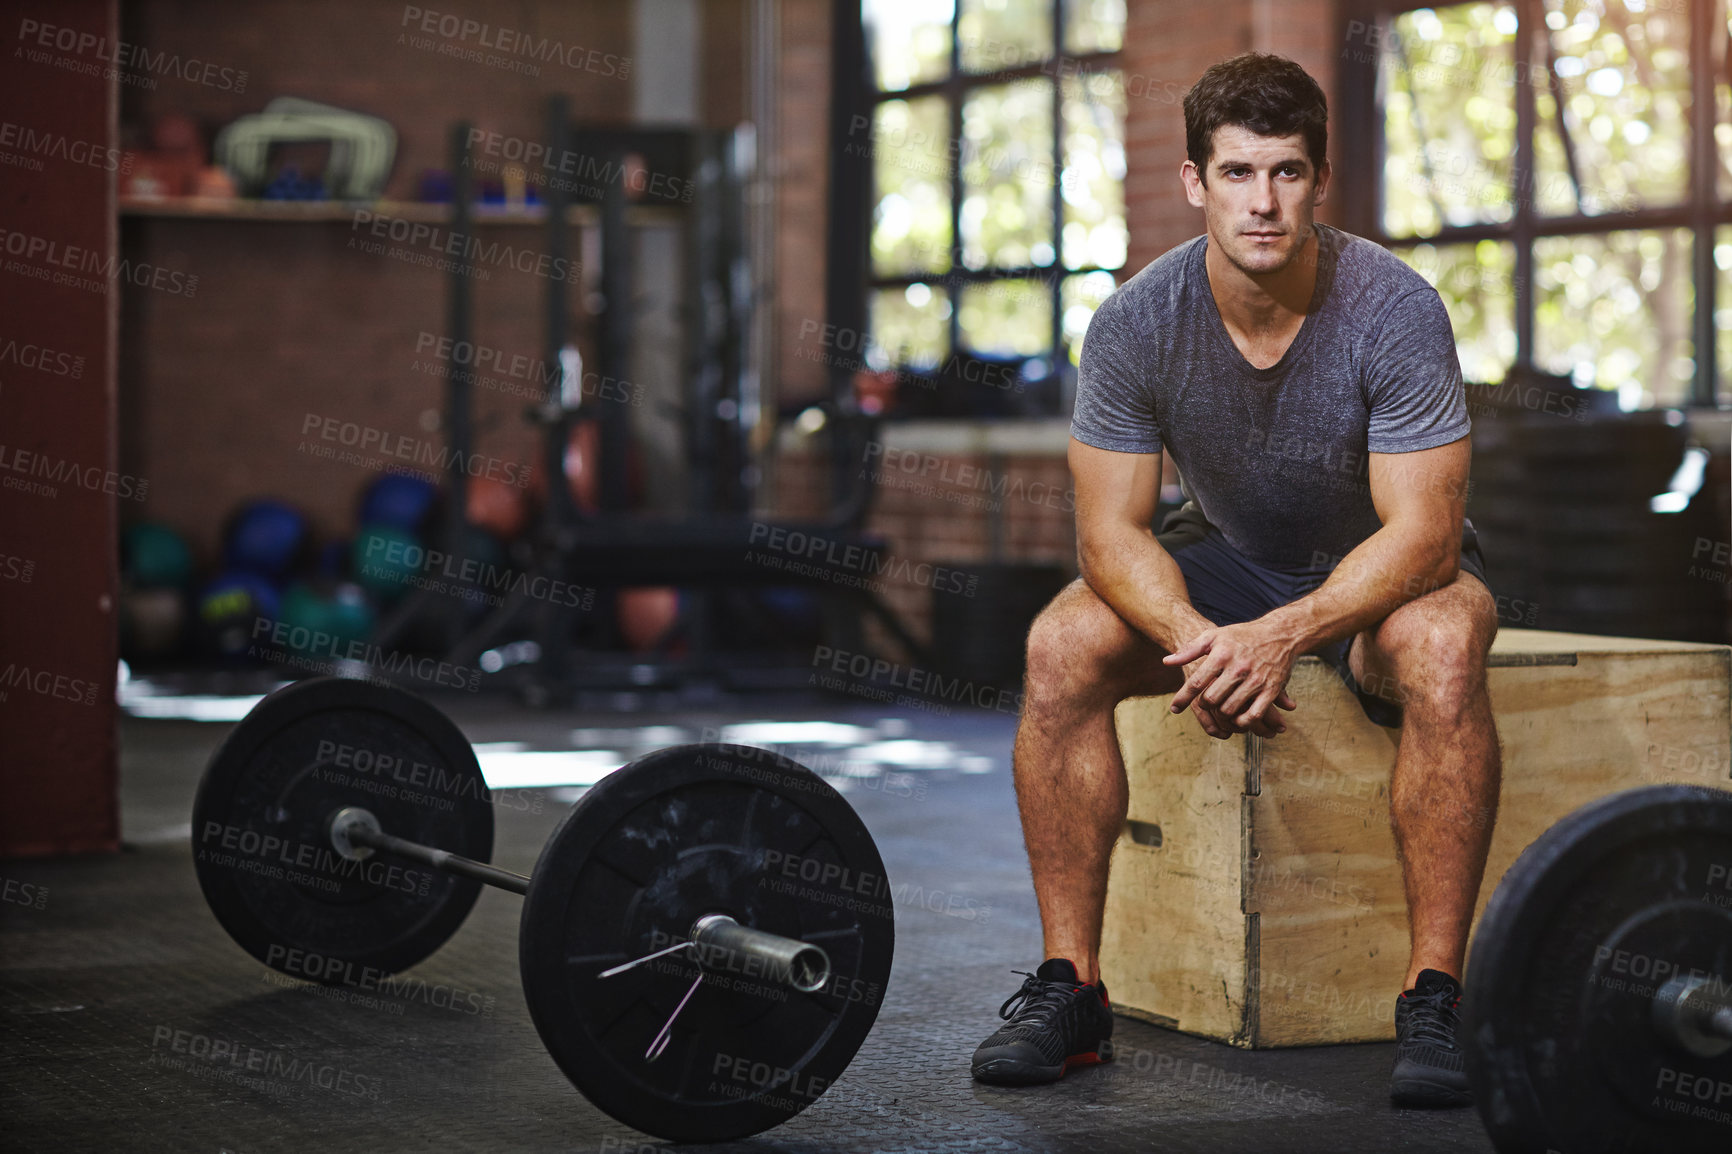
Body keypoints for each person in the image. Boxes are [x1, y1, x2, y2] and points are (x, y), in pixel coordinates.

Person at [970, 52, 1501, 1109]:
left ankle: (1435, 993)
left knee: (1446, 642)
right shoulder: (1134, 321)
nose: (1264, 201)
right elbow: (1108, 535)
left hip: (1383, 571)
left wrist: (1280, 634)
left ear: (1319, 181)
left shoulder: (1392, 307)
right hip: (1223, 558)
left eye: (1289, 172)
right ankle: (1072, 986)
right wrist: (1195, 633)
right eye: (1240, 172)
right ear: (1193, 182)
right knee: (1059, 644)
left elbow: (1425, 535)